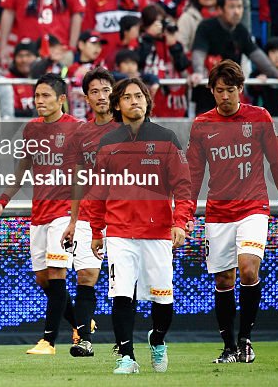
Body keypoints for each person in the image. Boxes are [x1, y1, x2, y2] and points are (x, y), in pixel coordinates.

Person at [185, 59, 278, 363]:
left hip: (253, 207)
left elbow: (277, 163)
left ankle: (246, 339)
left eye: (231, 90)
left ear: (241, 89)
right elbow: (193, 176)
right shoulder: (201, 125)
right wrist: (183, 215)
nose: (225, 96)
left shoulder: (259, 117)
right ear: (211, 91)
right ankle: (228, 346)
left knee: (248, 268)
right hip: (219, 212)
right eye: (219, 90)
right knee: (223, 280)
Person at [88, 77, 194, 374]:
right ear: (118, 104)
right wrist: (97, 231)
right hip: (120, 232)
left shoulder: (167, 138)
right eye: (128, 97)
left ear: (147, 101)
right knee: (121, 294)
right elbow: (97, 191)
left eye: (139, 96)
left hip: (158, 233)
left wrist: (180, 222)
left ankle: (157, 340)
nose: (135, 101)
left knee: (163, 299)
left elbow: (183, 187)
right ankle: (126, 357)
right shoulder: (108, 143)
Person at [0, 74, 82, 355]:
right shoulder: (31, 129)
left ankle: (48, 342)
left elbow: (81, 177)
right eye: (37, 96)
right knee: (44, 279)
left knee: (56, 273)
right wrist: (2, 200)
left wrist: (75, 219)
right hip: (39, 213)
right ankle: (79, 324)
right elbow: (23, 168)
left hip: (63, 213)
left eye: (46, 96)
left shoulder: (77, 130)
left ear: (61, 99)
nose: (39, 101)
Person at [58, 67, 117, 357]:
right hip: (87, 216)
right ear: (87, 97)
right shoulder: (81, 134)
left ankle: (128, 341)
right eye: (95, 91)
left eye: (106, 89)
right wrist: (71, 220)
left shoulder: (129, 129)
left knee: (124, 281)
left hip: (123, 215)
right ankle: (84, 340)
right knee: (86, 276)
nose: (102, 96)